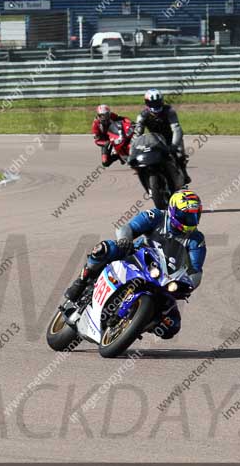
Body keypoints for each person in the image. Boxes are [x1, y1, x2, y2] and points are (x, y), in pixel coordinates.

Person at [63, 189, 205, 339]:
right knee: (104, 249)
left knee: (171, 326)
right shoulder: (156, 216)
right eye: (186, 215)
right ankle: (81, 281)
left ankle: (136, 324)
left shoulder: (196, 239)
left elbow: (196, 269)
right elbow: (127, 227)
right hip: (137, 257)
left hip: (164, 278)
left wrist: (189, 286)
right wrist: (125, 239)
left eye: (195, 215)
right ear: (173, 210)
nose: (190, 220)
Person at [134, 89, 191, 185]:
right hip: (154, 140)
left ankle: (184, 174)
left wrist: (173, 146)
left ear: (161, 101)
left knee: (179, 154)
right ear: (147, 103)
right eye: (152, 103)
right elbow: (137, 134)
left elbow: (176, 129)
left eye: (157, 102)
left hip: (171, 138)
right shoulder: (142, 116)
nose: (155, 105)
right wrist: (134, 149)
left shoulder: (169, 111)